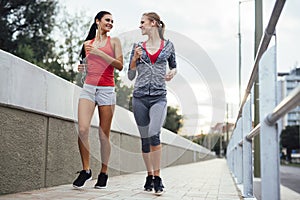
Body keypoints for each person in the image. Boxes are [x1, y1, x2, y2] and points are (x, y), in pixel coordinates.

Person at [127, 12, 177, 195]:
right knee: (145, 140)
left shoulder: (168, 46)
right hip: (139, 97)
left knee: (154, 134)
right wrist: (134, 59)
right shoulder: (137, 46)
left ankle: (157, 177)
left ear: (153, 23)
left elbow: (174, 65)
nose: (140, 26)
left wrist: (173, 73)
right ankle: (149, 175)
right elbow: (130, 75)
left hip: (159, 97)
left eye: (142, 22)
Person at [72, 11, 123, 189]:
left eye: (112, 21)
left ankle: (104, 172)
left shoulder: (114, 41)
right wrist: (82, 67)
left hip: (107, 90)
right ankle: (86, 170)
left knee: (103, 135)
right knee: (83, 129)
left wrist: (100, 53)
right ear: (98, 21)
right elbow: (88, 65)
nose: (110, 23)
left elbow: (120, 65)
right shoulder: (87, 44)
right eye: (107, 20)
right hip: (88, 88)